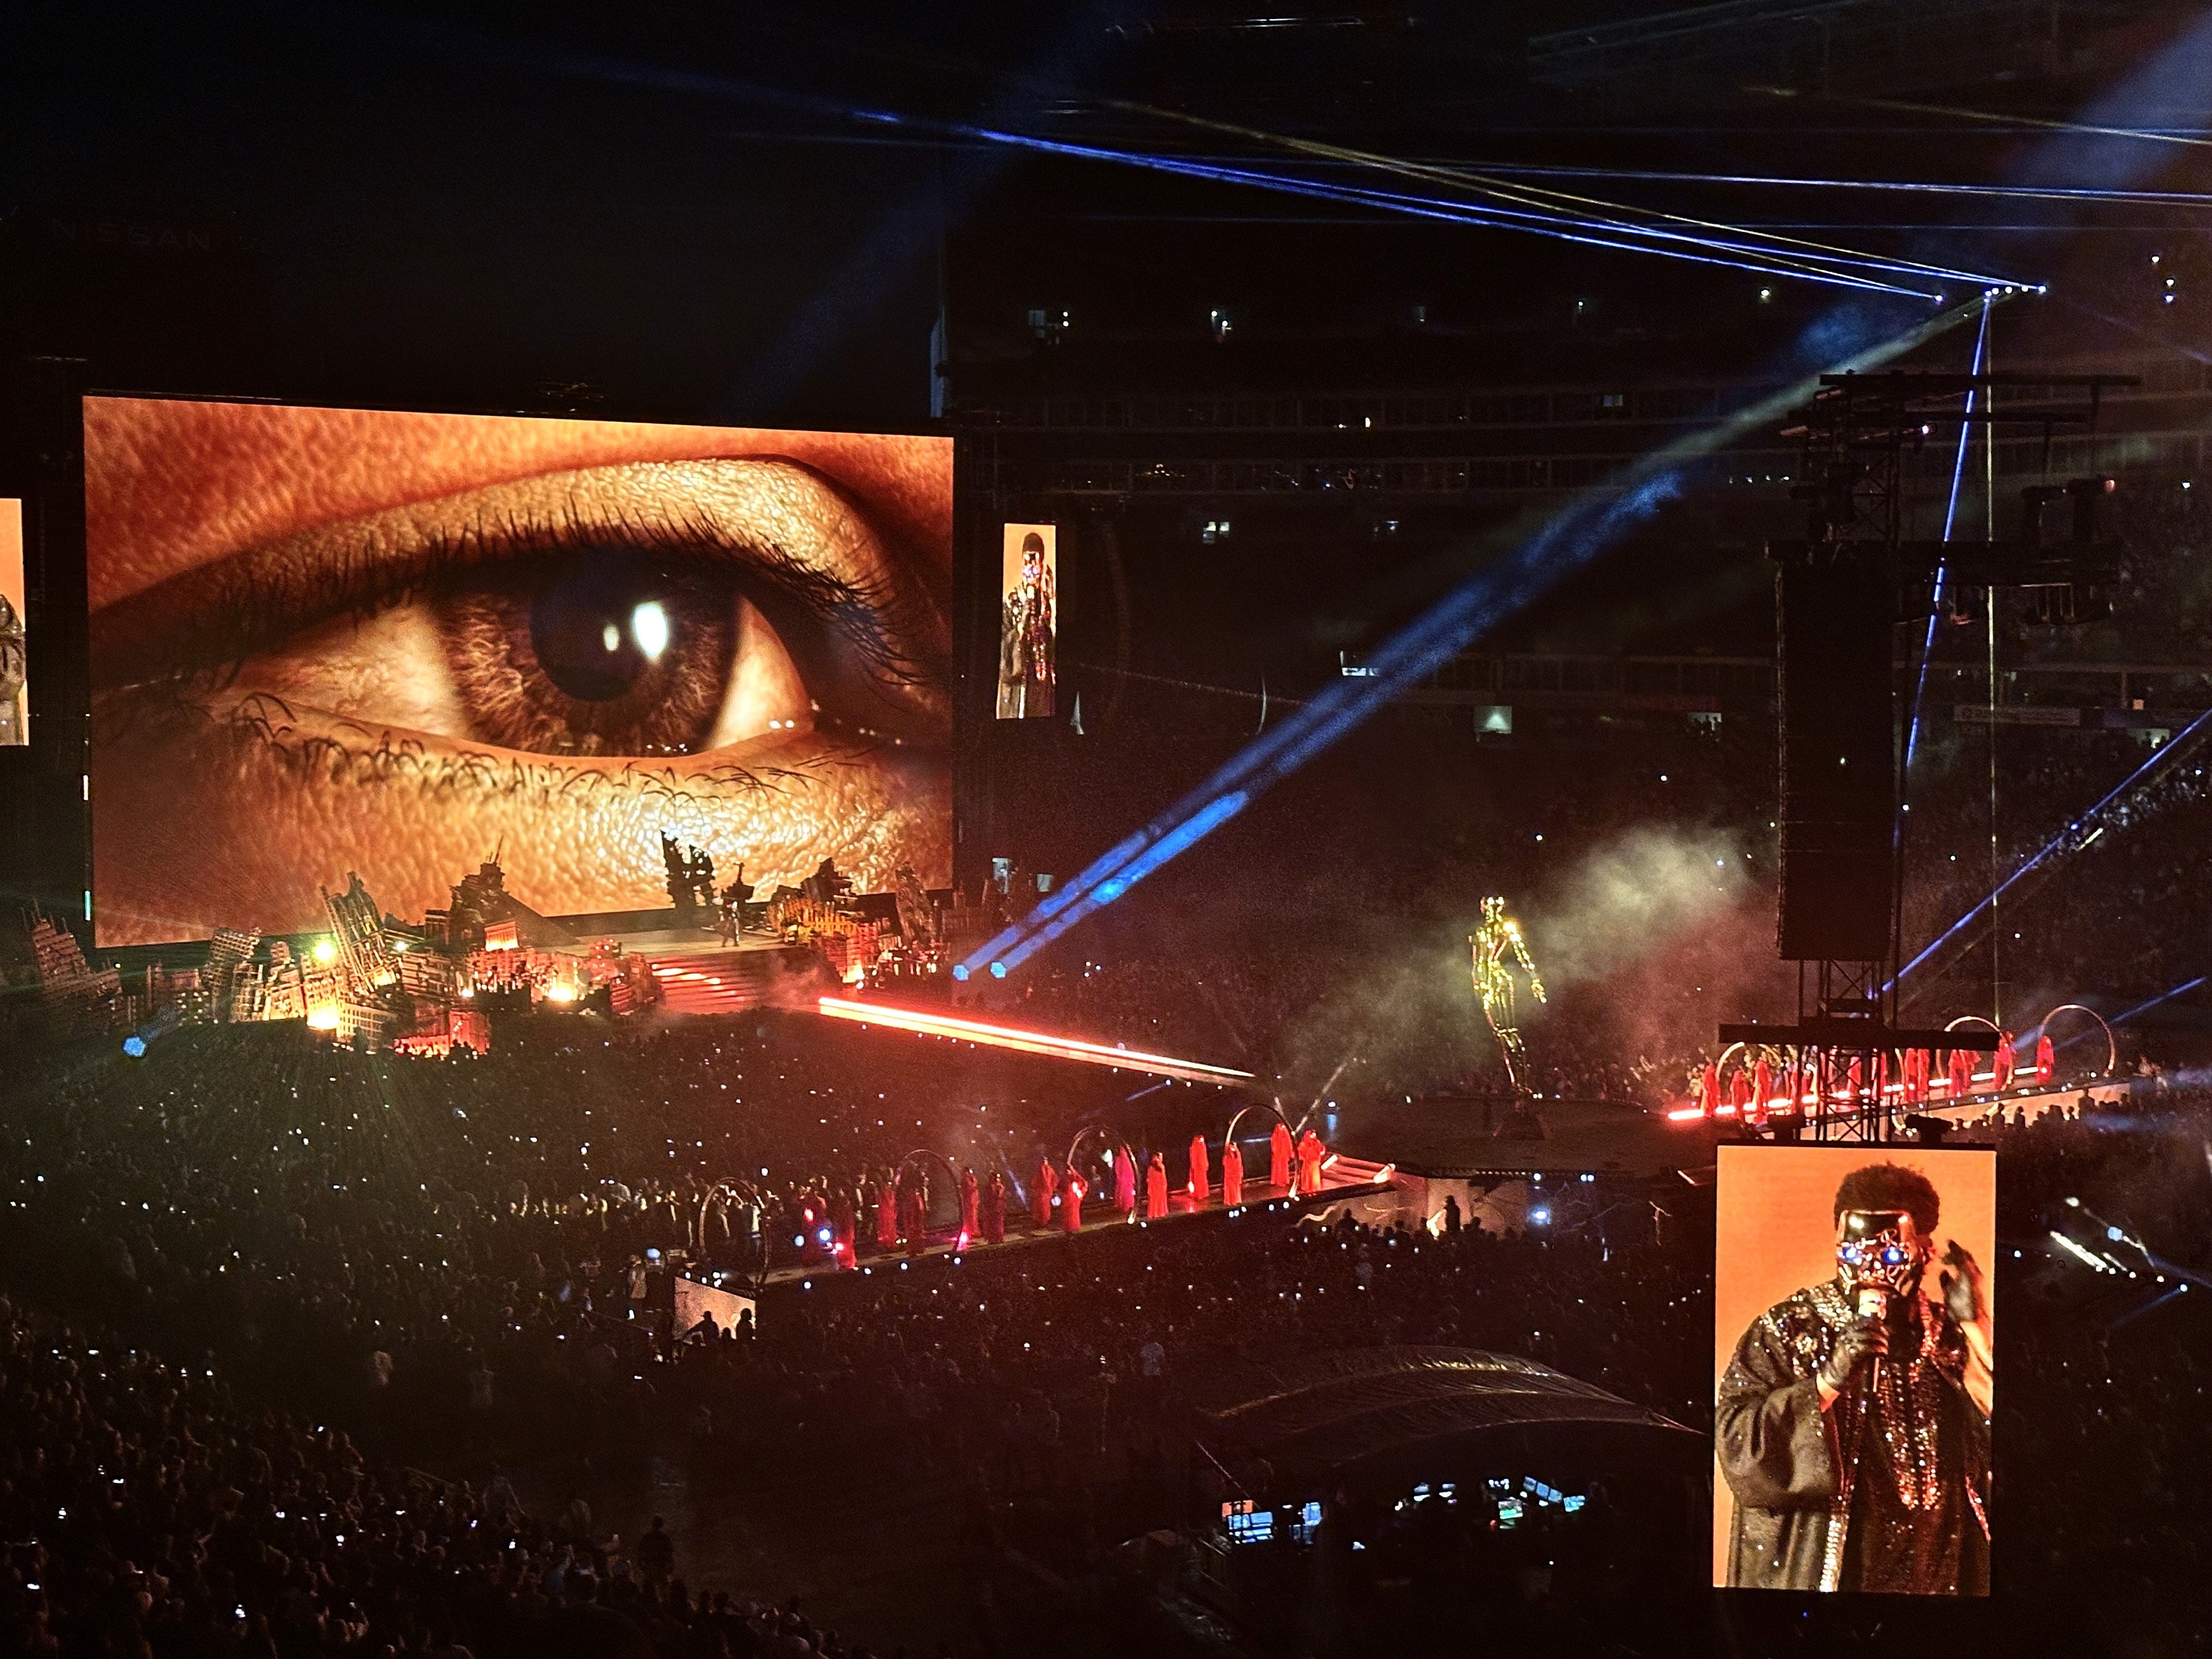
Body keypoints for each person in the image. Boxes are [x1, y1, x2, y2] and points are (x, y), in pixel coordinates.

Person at [1717, 1162, 1991, 1594]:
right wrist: (1826, 1383)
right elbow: (1737, 1445)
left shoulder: (1947, 1335)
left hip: (1939, 1569)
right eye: (1853, 1254)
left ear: (1926, 1251)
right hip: (1841, 1572)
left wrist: (1976, 1327)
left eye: (1891, 1255)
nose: (1871, 1269)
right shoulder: (1789, 1329)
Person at [1296, 1130, 1325, 1197]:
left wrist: (1322, 1152)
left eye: (1314, 1135)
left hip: (1315, 1162)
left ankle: (1314, 1189)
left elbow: (1321, 1150)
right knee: (1308, 1176)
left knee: (1315, 1176)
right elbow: (1300, 1152)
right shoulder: (1304, 1144)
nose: (1314, 1136)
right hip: (1308, 1162)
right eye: (1312, 1135)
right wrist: (1303, 1157)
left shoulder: (1317, 1143)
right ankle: (1308, 1189)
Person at [983, 1170, 1007, 1245]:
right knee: (992, 1224)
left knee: (999, 1223)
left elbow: (1003, 1197)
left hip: (999, 1207)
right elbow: (989, 1197)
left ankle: (999, 1236)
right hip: (992, 1208)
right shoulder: (990, 1187)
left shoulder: (1001, 1187)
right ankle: (993, 1238)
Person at [1032, 1156, 1058, 1230]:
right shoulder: (1047, 1170)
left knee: (1043, 1208)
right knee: (1043, 1208)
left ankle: (1042, 1223)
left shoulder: (1045, 1170)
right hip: (1043, 1192)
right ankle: (1042, 1223)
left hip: (1043, 1192)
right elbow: (1054, 1180)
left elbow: (1053, 1180)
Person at [1269, 1121, 1294, 1192]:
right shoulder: (1275, 1135)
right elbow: (1274, 1146)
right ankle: (1278, 1181)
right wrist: (1276, 1152)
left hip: (1284, 1155)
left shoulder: (1286, 1135)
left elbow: (1289, 1144)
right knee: (1278, 1167)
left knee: (1284, 1167)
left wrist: (1289, 1153)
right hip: (1278, 1155)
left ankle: (1284, 1180)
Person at [1062, 1164, 1087, 1234]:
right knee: (1069, 1214)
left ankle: (1072, 1227)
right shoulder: (1067, 1178)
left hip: (1073, 1198)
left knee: (1073, 1213)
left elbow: (1082, 1183)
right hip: (1068, 1198)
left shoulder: (1075, 1179)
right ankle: (1069, 1227)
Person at [959, 1165, 981, 1244]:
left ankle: (972, 1234)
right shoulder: (966, 1180)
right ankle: (970, 1235)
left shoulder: (968, 1179)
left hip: (973, 1202)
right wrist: (975, 1182)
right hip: (969, 1203)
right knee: (970, 1219)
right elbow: (970, 1188)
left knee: (973, 1218)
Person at [1114, 1147, 1137, 1220]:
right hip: (1124, 1180)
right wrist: (1120, 1178)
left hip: (1128, 1180)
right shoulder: (1119, 1159)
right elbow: (1118, 1170)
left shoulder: (1129, 1159)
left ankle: (1129, 1206)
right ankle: (1125, 1207)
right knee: (1124, 1194)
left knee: (1129, 1194)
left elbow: (1131, 1169)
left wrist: (1132, 1179)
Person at [1188, 1133, 1210, 1207]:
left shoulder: (1201, 1144)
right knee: (1198, 1181)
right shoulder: (1196, 1144)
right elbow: (1195, 1157)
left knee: (1202, 1180)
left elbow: (1204, 1156)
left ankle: (1202, 1194)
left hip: (1201, 1167)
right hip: (1198, 1167)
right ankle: (1199, 1194)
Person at [1221, 1139, 1243, 1210]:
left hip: (1236, 1174)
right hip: (1230, 1174)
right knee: (1230, 1188)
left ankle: (1236, 1199)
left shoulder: (1237, 1153)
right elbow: (1226, 1163)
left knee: (1236, 1187)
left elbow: (1239, 1163)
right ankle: (1230, 1200)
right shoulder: (1228, 1154)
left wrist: (1240, 1173)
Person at [1145, 1152, 1169, 1220]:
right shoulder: (1152, 1168)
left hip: (1160, 1186)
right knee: (1154, 1200)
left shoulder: (1161, 1167)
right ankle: (1155, 1213)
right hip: (1154, 1187)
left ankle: (1159, 1212)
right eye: (1160, 1157)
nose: (1161, 1158)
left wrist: (1164, 1185)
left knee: (1159, 1200)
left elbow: (1163, 1178)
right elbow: (1149, 1178)